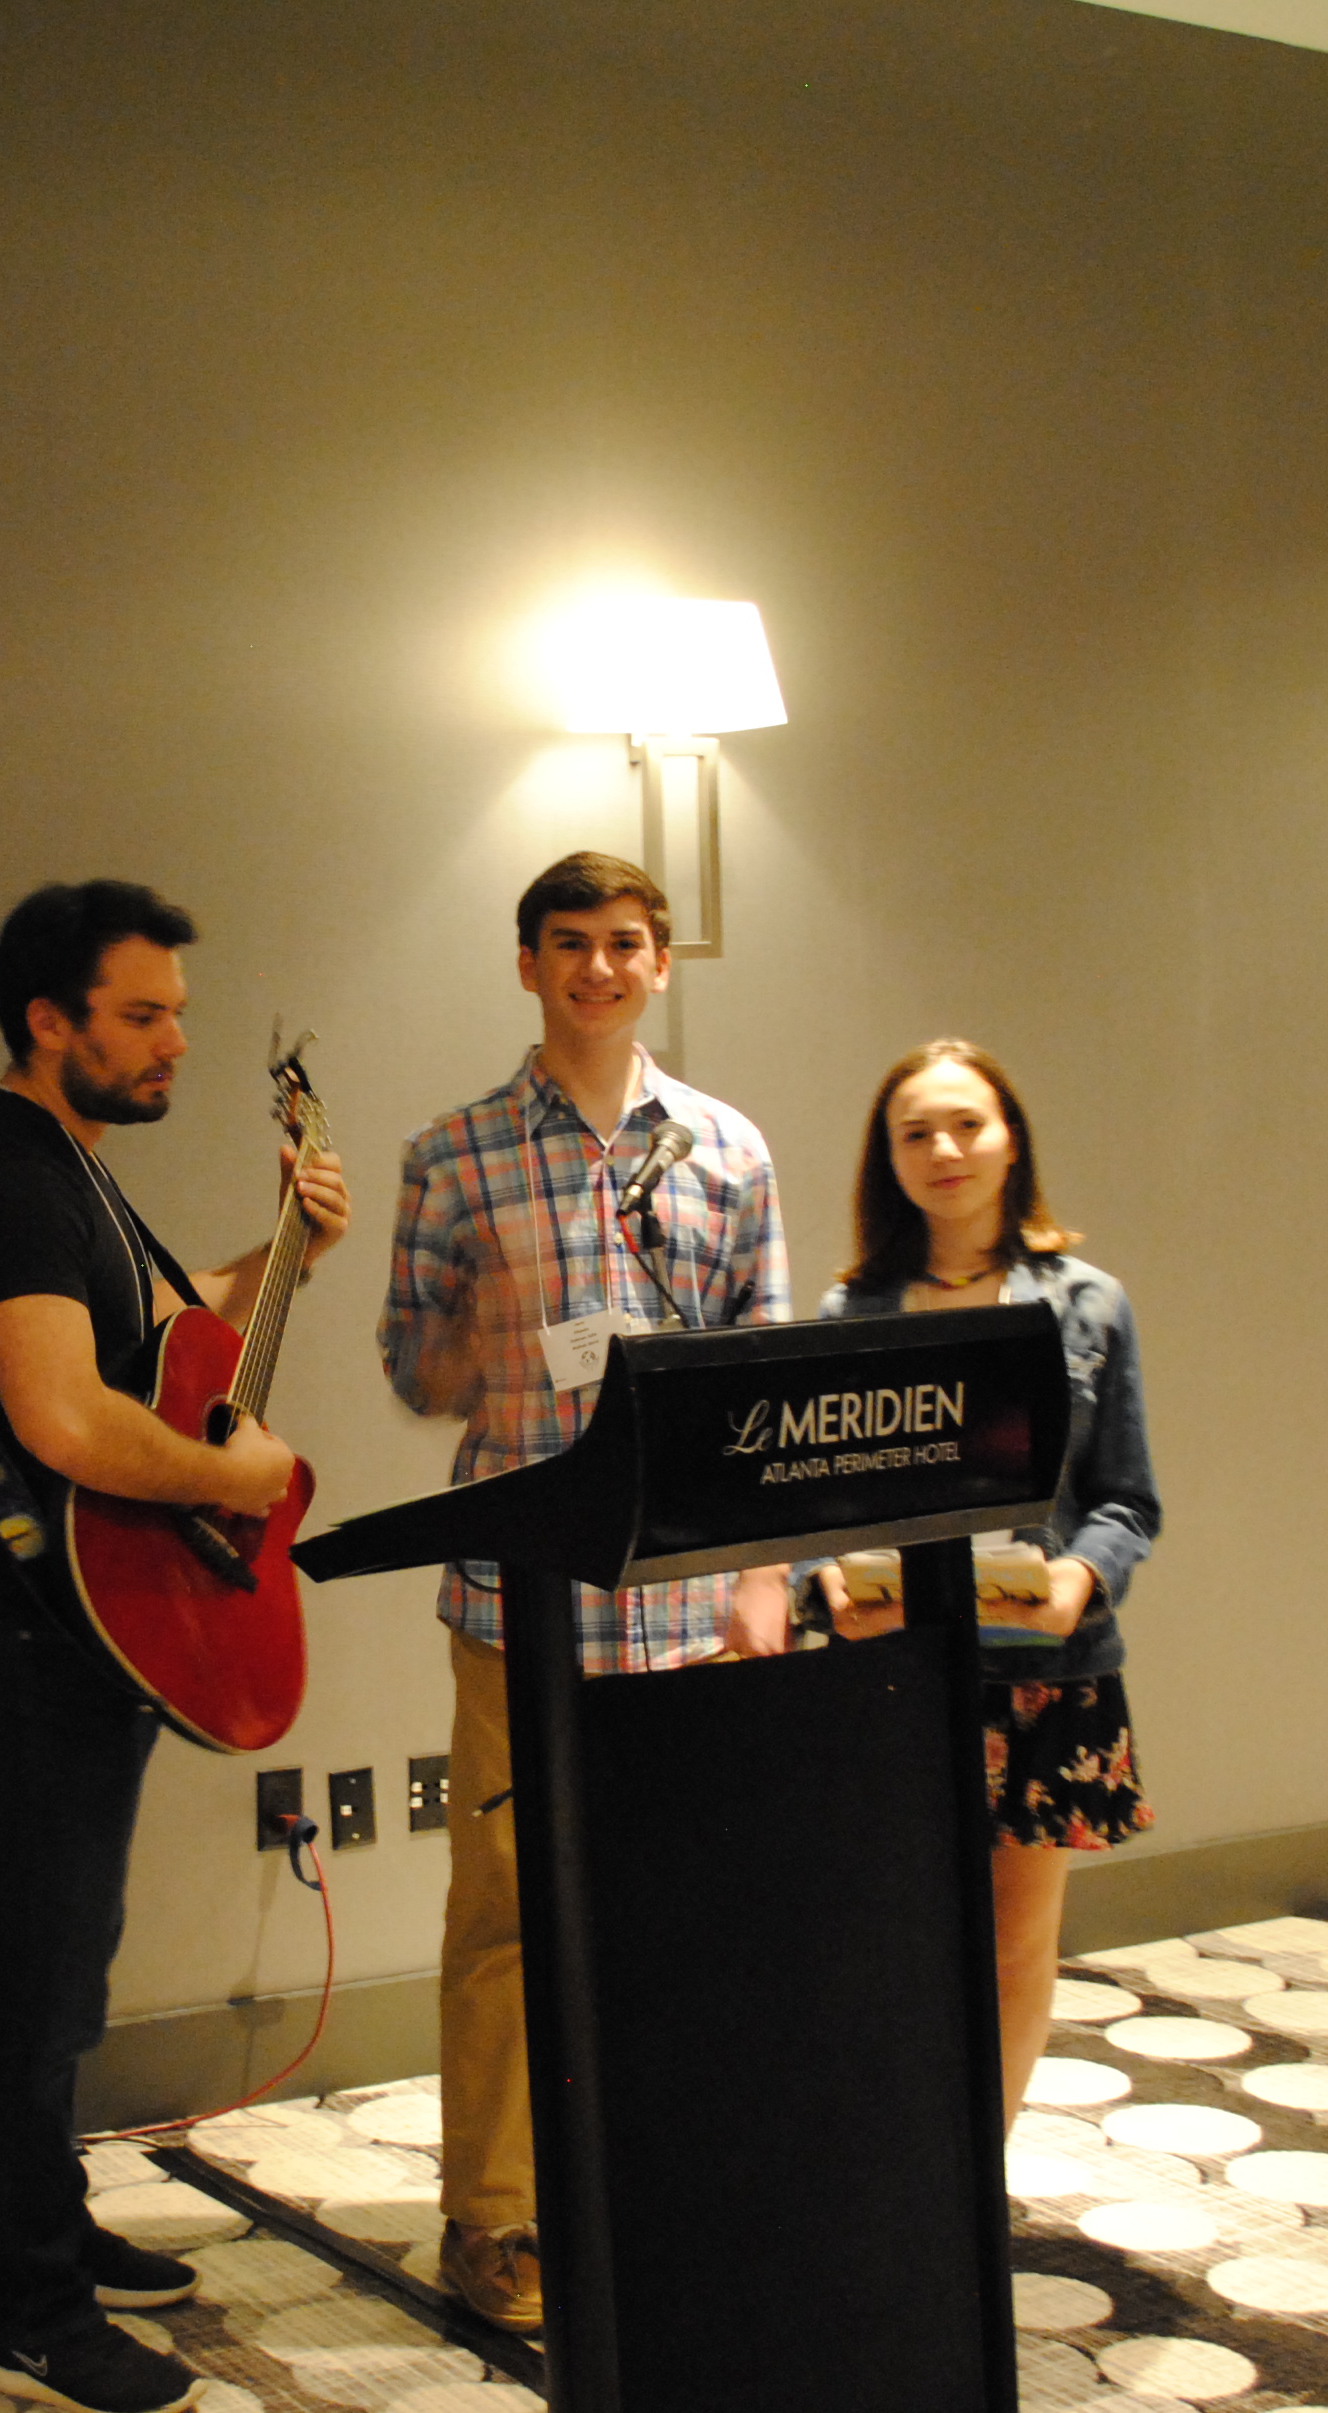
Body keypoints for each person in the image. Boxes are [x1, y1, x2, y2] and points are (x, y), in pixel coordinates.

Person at [0, 879, 348, 2413]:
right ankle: (31, 2301)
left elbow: (173, 1330)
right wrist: (241, 1476)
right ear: (51, 1020)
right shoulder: (7, 1177)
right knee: (33, 1972)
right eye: (143, 1015)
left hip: (81, 1636)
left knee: (66, 1956)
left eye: (179, 1015)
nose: (174, 1045)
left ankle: (55, 2226)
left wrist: (287, 1244)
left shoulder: (78, 1174)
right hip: (20, 1637)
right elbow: (67, 1415)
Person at [376, 852, 787, 2332]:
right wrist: (473, 1339)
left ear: (661, 964)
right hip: (521, 1599)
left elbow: (765, 1378)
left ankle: (646, 2181)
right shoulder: (458, 1152)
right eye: (569, 945)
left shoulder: (729, 1150)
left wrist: (764, 1578)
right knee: (505, 1914)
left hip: (682, 1606)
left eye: (625, 945)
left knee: (674, 1910)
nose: (598, 970)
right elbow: (408, 1369)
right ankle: (494, 2216)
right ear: (528, 965)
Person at [786, 1041, 1162, 2131]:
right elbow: (808, 1510)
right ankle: (898, 2165)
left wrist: (1078, 1579)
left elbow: (1125, 1502)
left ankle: (973, 2174)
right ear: (887, 1159)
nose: (943, 1150)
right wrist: (825, 1587)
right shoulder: (849, 1314)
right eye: (915, 1132)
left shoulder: (1089, 1305)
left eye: (966, 1125)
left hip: (1045, 1674)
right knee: (886, 1934)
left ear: (1009, 1141)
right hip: (890, 1674)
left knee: (1011, 1941)